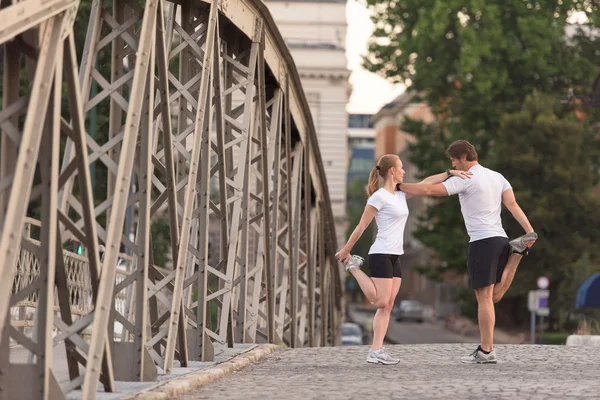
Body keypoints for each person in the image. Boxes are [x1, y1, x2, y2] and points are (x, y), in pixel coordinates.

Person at [397, 140, 537, 364]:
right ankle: (516, 255)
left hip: (481, 242)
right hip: (500, 240)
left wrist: (398, 186)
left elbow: (429, 190)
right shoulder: (497, 177)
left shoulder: (465, 179)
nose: (453, 164)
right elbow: (512, 204)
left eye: (453, 160)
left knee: (483, 298)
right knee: (493, 296)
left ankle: (486, 351)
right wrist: (529, 231)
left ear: (462, 158)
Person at [335, 154, 471, 365]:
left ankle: (376, 350)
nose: (404, 171)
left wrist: (449, 173)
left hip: (396, 255)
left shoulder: (400, 193)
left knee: (387, 305)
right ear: (392, 171)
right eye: (401, 168)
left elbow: (425, 183)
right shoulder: (378, 197)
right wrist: (346, 249)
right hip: (380, 252)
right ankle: (352, 266)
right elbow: (361, 226)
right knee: (379, 300)